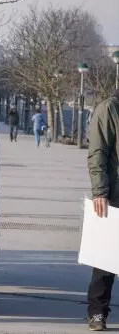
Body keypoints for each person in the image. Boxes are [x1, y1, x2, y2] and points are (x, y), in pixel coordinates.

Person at [85, 88, 119, 331]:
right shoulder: (109, 108)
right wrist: (100, 191)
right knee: (107, 259)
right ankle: (97, 312)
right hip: (115, 194)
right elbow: (98, 151)